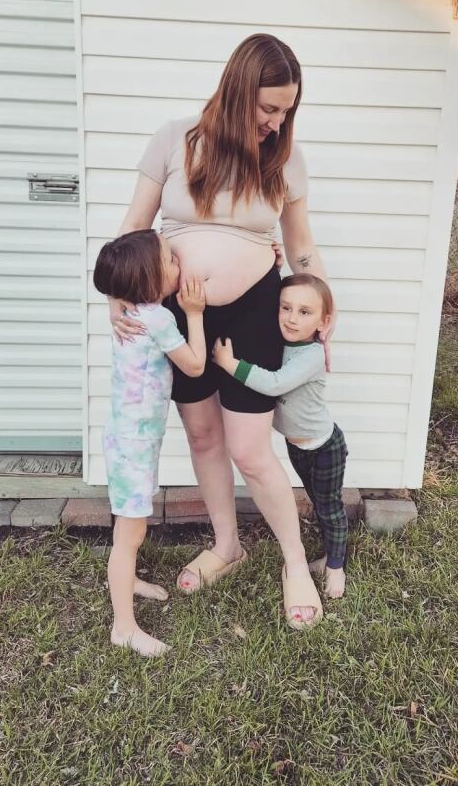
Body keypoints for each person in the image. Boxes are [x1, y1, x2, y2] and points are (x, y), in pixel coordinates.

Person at [109, 33, 334, 629]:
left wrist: (322, 313)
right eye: (268, 108)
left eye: (286, 109)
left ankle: (294, 566)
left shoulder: (284, 158)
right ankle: (227, 545)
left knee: (252, 452)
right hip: (182, 318)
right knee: (204, 438)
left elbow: (301, 247)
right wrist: (116, 295)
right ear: (238, 92)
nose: (277, 120)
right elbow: (134, 228)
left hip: (254, 314)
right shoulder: (175, 140)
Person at [93, 229, 207, 657]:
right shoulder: (159, 319)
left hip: (127, 439)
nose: (179, 264)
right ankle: (123, 627)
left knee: (129, 528)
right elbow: (194, 366)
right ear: (150, 280)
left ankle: (130, 580)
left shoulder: (132, 312)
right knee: (129, 534)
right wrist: (194, 313)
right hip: (134, 446)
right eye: (171, 261)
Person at [212, 274, 349, 599]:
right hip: (297, 447)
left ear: (323, 321)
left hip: (324, 446)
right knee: (319, 502)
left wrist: (230, 365)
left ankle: (335, 566)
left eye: (304, 312)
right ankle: (328, 554)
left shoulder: (312, 355)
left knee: (329, 506)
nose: (291, 317)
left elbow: (274, 384)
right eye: (285, 307)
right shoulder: (281, 342)